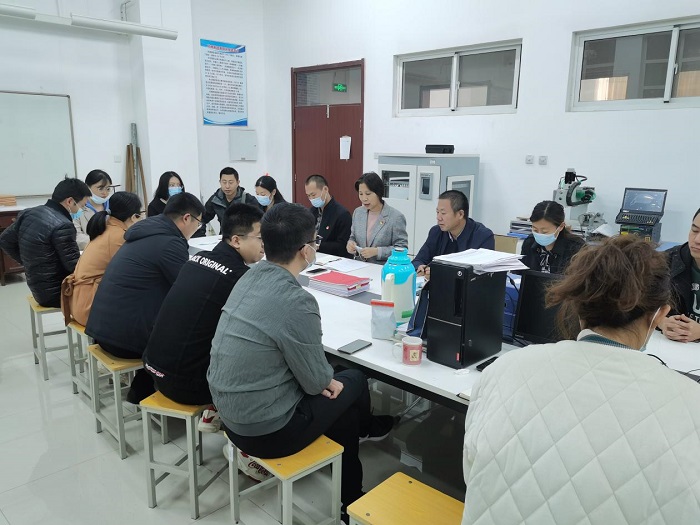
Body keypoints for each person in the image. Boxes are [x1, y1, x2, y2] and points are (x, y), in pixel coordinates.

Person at [461, 236, 700, 524]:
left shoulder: (502, 370)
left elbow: (472, 471)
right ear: (659, 314)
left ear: (576, 303)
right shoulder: (690, 404)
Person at [208, 202, 395, 519]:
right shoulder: (297, 300)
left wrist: (324, 379)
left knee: (339, 396)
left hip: (228, 416)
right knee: (353, 379)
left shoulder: (248, 278)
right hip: (265, 432)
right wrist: (327, 380)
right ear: (306, 250)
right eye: (315, 242)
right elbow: (315, 382)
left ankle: (353, 481)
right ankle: (352, 492)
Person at [143, 203, 265, 432]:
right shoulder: (240, 277)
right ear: (236, 240)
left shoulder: (197, 259)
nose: (264, 245)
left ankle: (215, 412)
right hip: (186, 385)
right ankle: (240, 432)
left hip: (153, 368)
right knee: (257, 347)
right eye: (260, 238)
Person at [86, 192, 205, 403]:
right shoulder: (169, 242)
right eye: (198, 223)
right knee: (193, 331)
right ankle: (148, 392)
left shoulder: (146, 232)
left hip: (102, 329)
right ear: (187, 218)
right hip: (122, 339)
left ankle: (141, 389)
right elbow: (188, 291)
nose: (198, 228)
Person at [0, 178, 91, 307]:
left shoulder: (29, 213)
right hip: (58, 292)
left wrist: (27, 262)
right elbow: (74, 266)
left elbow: (4, 240)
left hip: (37, 288)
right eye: (82, 206)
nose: (81, 210)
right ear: (70, 201)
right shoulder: (63, 225)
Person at [60, 192, 143, 327]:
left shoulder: (107, 228)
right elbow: (135, 272)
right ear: (134, 217)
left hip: (79, 301)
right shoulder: (119, 235)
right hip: (90, 307)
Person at [412, 190, 494, 279]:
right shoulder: (436, 232)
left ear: (460, 214)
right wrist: (420, 268)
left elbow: (482, 277)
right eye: (437, 212)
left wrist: (439, 273)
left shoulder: (483, 237)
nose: (438, 218)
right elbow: (418, 260)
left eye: (443, 213)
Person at [346, 172, 408, 263]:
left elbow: (402, 249)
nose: (364, 199)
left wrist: (377, 251)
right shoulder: (358, 212)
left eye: (368, 194)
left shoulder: (395, 217)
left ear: (378, 193)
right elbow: (353, 237)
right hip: (359, 265)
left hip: (383, 267)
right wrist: (350, 244)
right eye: (361, 194)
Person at [659, 207, 700, 342]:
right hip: (670, 347)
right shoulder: (668, 260)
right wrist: (661, 321)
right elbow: (638, 304)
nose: (697, 240)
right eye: (694, 230)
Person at [519, 200, 585, 274]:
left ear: (561, 227)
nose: (539, 234)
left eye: (545, 232)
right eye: (535, 230)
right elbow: (520, 274)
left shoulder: (577, 248)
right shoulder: (529, 243)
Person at [304, 174, 352, 258]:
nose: (311, 199)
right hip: (313, 257)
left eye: (313, 195)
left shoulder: (342, 214)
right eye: (308, 196)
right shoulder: (311, 212)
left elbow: (342, 246)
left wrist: (318, 246)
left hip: (334, 259)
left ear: (325, 189)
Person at [200, 167, 260, 233]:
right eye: (224, 182)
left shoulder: (248, 200)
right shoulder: (215, 200)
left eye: (231, 182)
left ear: (238, 182)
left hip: (243, 236)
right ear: (220, 182)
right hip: (224, 236)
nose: (227, 186)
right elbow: (201, 219)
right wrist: (201, 236)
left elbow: (258, 222)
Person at [74, 169, 115, 250]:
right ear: (87, 188)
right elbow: (76, 237)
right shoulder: (77, 208)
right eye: (100, 188)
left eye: (108, 189)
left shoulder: (114, 205)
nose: (105, 193)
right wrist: (101, 242)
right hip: (90, 250)